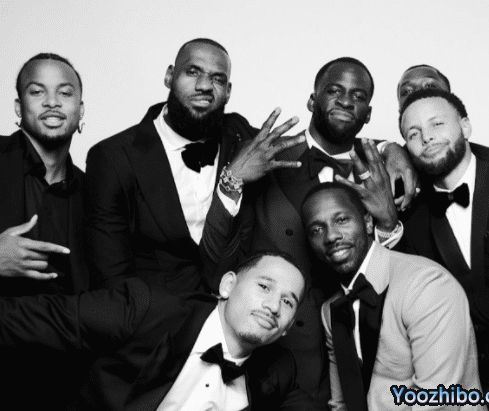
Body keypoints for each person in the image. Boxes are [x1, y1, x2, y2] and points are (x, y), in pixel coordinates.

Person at [247, 57, 418, 402]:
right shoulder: (268, 155)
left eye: (358, 96)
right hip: (274, 346)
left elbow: (396, 272)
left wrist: (391, 150)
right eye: (335, 91)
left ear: (368, 114)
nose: (346, 101)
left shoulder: (383, 170)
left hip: (354, 348)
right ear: (312, 100)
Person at [85, 38, 302, 292]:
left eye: (217, 79)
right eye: (192, 72)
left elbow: (304, 154)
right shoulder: (114, 157)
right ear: (169, 76)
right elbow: (111, 277)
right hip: (150, 311)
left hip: (230, 308)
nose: (204, 86)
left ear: (228, 91)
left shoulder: (241, 139)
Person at [0, 251, 328, 411]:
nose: (273, 306)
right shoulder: (146, 311)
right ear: (228, 285)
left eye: (288, 301)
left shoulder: (279, 370)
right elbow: (26, 321)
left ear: (287, 327)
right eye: (264, 286)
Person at [399, 88, 489, 409]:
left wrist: (445, 313)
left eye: (437, 124)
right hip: (468, 388)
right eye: (413, 134)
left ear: (466, 127)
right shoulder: (413, 218)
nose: (427, 137)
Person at [301, 182, 484, 410]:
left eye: (341, 220)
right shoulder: (331, 310)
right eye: (316, 230)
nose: (331, 236)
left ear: (368, 222)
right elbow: (342, 404)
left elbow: (438, 402)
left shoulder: (426, 285)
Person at [0, 53, 90, 409]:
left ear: (80, 111)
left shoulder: (95, 194)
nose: (52, 102)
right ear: (18, 108)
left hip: (62, 386)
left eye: (65, 93)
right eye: (37, 92)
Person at [396, 64, 489, 161]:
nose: (418, 93)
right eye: (406, 91)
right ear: (400, 110)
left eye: (430, 85)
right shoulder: (391, 165)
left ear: (450, 98)